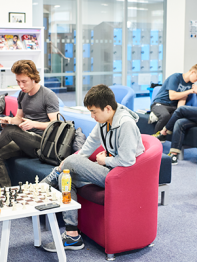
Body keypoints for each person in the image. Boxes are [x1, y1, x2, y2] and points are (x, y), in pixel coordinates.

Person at [41, 84, 145, 251]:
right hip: (110, 171)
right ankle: (72, 235)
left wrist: (105, 161)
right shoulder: (104, 122)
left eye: (94, 112)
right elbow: (86, 149)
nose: (92, 116)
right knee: (66, 177)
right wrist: (68, 164)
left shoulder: (126, 124)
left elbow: (127, 161)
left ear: (108, 108)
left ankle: (43, 186)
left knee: (71, 163)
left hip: (122, 176)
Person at [0, 59, 59, 187]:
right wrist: (9, 120)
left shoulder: (48, 95)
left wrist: (34, 124)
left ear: (34, 78)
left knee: (10, 131)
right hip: (24, 140)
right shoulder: (22, 94)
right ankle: (7, 192)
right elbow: (19, 118)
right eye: (18, 82)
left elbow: (55, 125)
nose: (21, 85)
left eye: (24, 82)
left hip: (41, 143)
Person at [150, 64, 197, 140]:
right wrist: (190, 91)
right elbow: (172, 96)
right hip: (160, 103)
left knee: (180, 118)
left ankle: (166, 139)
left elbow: (182, 99)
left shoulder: (190, 84)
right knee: (165, 115)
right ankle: (154, 138)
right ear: (192, 72)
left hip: (172, 107)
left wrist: (179, 111)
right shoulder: (176, 77)